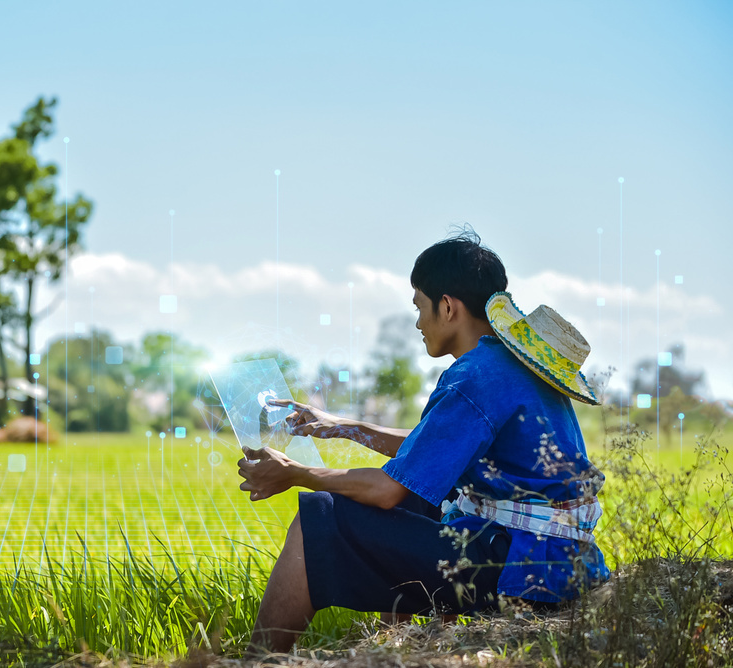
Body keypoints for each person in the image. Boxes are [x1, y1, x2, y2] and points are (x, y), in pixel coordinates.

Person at [237, 230, 610, 655]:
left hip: (522, 570)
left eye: (419, 305)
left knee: (318, 519)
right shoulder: (507, 368)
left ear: (447, 307)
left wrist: (294, 473)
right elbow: (430, 452)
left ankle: (257, 662)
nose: (417, 321)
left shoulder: (474, 378)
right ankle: (393, 646)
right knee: (420, 498)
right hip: (556, 560)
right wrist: (341, 426)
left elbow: (387, 490)